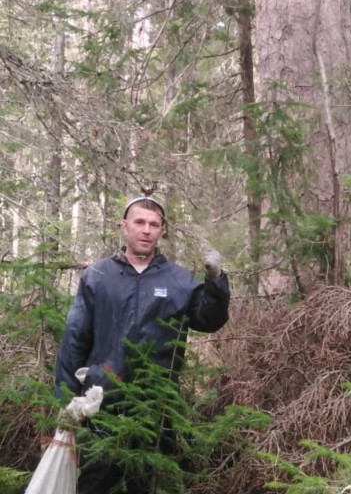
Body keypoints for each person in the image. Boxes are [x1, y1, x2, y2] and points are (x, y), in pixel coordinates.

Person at [54, 196, 230, 494]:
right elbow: (75, 337)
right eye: (139, 222)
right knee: (96, 480)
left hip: (156, 406)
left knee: (145, 483)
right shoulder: (98, 276)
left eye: (154, 224)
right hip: (101, 401)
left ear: (162, 231)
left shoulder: (178, 280)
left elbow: (208, 320)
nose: (146, 230)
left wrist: (216, 281)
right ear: (125, 227)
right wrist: (67, 396)